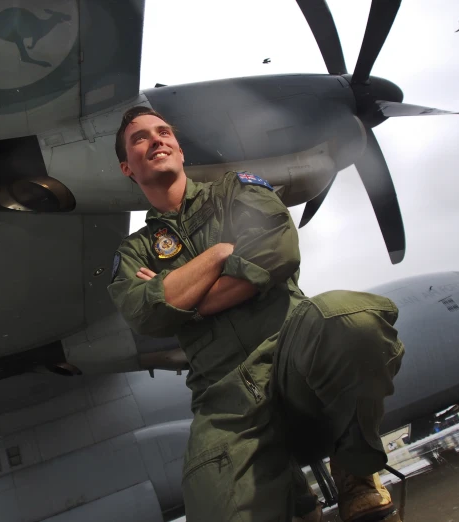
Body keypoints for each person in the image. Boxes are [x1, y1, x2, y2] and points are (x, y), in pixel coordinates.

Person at [107, 105, 405, 522]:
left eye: (163, 132)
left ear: (178, 149)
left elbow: (277, 250)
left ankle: (354, 466)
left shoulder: (235, 192)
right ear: (126, 167)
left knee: (348, 319)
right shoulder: (133, 252)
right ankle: (297, 507)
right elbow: (145, 315)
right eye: (140, 138)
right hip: (224, 398)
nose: (156, 139)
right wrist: (220, 253)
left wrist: (188, 302)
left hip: (291, 355)